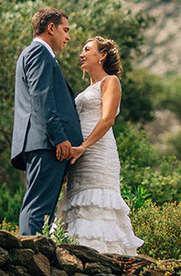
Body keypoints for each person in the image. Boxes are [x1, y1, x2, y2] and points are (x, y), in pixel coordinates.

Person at [58, 36, 144, 254]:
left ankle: (103, 258)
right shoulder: (87, 90)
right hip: (78, 156)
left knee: (97, 205)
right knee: (78, 206)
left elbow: (107, 119)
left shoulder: (110, 82)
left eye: (87, 50)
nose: (81, 54)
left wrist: (84, 146)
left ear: (102, 55)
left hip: (97, 154)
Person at [10, 7, 83, 236]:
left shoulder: (39, 55)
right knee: (38, 207)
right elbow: (42, 98)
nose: (68, 37)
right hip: (46, 144)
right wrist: (59, 138)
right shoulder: (37, 53)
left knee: (43, 211)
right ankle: (27, 258)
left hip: (46, 144)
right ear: (51, 28)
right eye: (65, 30)